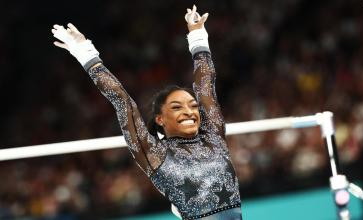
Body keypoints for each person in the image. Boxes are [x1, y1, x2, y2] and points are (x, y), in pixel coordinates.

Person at [51, 5, 242, 220]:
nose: (189, 111)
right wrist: (84, 51)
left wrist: (197, 35)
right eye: (177, 107)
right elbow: (122, 102)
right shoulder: (154, 154)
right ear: (160, 119)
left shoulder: (214, 136)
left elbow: (206, 86)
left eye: (193, 105)